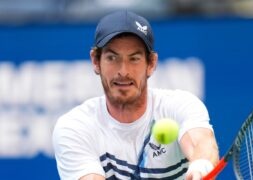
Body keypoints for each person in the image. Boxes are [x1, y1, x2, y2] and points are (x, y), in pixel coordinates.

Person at [52, 10, 219, 180]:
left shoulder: (180, 105)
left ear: (151, 63)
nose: (123, 71)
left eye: (134, 58)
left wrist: (201, 166)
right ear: (96, 61)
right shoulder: (74, 127)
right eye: (112, 58)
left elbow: (202, 143)